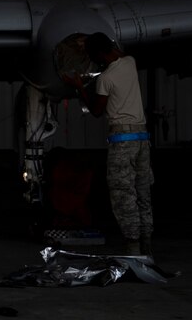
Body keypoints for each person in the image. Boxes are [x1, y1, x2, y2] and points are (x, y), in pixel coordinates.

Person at [66, 32, 153, 256]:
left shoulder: (105, 79)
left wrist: (79, 86)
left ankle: (133, 248)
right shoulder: (130, 62)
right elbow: (116, 53)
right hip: (142, 140)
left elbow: (96, 111)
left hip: (122, 142)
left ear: (98, 55)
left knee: (123, 195)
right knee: (143, 193)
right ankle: (147, 246)